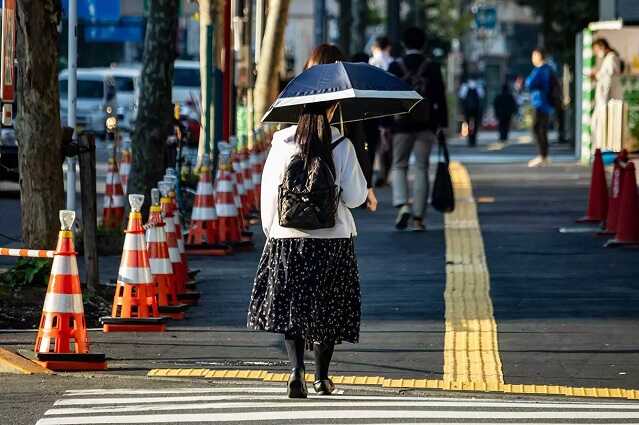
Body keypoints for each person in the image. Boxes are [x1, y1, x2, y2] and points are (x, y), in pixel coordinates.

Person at [247, 100, 368, 398]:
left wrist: (273, 232)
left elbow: (269, 196)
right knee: (326, 308)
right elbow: (355, 198)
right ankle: (322, 378)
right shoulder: (341, 143)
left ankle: (296, 371)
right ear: (331, 109)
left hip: (288, 237)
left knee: (293, 307)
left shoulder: (281, 143)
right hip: (333, 239)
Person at [304, 44, 378, 212]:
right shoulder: (346, 103)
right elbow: (359, 145)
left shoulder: (299, 97)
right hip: (335, 195)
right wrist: (367, 187)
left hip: (298, 199)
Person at [387, 27, 448, 231]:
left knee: (399, 165)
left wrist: (385, 125)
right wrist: (442, 125)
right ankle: (419, 218)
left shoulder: (395, 66)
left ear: (404, 44)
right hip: (426, 124)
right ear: (424, 44)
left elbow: (387, 97)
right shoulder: (432, 67)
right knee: (422, 168)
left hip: (401, 125)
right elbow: (440, 97)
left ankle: (403, 204)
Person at [525, 48, 555, 167]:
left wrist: (528, 81)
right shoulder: (547, 69)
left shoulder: (541, 70)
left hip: (540, 103)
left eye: (534, 56)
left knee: (538, 129)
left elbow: (529, 83)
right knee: (541, 130)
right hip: (544, 103)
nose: (532, 58)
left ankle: (543, 156)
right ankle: (544, 156)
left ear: (539, 56)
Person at [591, 38, 621, 148]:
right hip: (604, 101)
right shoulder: (610, 58)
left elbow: (608, 79)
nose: (596, 52)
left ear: (602, 46)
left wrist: (597, 75)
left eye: (596, 49)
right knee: (597, 125)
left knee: (600, 126)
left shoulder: (611, 58)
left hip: (605, 101)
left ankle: (601, 150)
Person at [458, 75, 484, 147]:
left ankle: (469, 139)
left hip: (467, 109)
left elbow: (461, 97)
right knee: (475, 124)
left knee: (467, 123)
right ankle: (474, 139)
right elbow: (481, 97)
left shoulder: (465, 86)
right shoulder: (478, 86)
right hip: (476, 110)